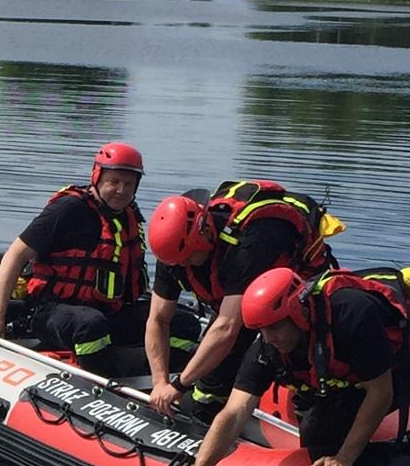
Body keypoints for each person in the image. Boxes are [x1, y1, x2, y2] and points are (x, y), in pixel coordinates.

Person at [177, 267, 410, 466]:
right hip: (345, 364)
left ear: (297, 312)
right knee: (314, 429)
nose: (269, 339)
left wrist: (345, 456)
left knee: (323, 435)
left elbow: (380, 392)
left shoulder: (351, 314)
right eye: (262, 330)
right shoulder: (267, 347)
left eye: (274, 328)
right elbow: (234, 412)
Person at [144, 180, 337, 421]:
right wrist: (160, 383)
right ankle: (218, 412)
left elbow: (227, 326)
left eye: (188, 259)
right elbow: (158, 319)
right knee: (207, 390)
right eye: (177, 262)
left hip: (295, 303)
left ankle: (307, 407)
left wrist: (179, 385)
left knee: (292, 363)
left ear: (205, 234)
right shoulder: (174, 252)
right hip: (240, 302)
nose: (183, 266)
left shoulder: (250, 243)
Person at [0, 143, 148, 378]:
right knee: (91, 324)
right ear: (97, 177)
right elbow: (14, 256)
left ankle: (152, 377)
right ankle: (102, 378)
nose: (121, 190)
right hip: (52, 312)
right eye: (114, 182)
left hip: (108, 311)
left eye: (129, 184)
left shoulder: (129, 216)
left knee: (180, 323)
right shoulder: (69, 209)